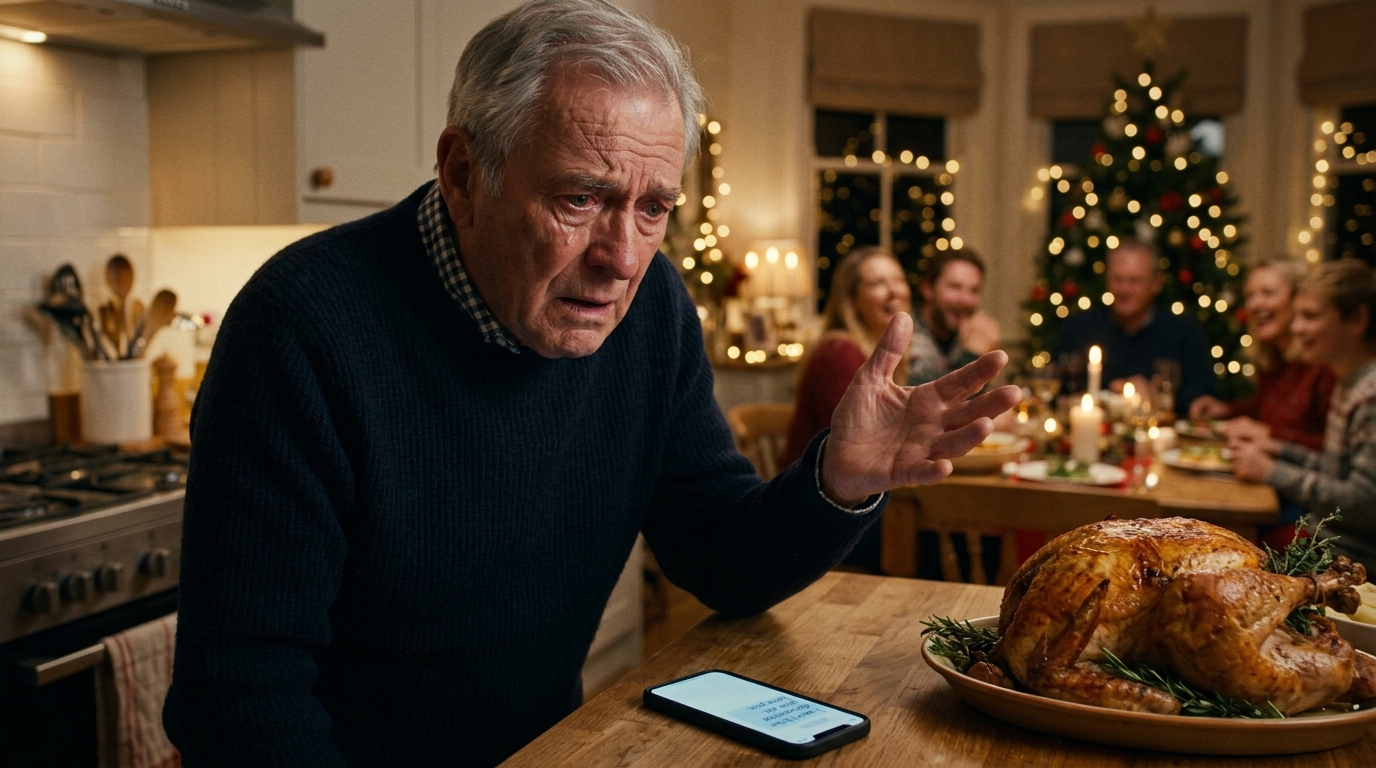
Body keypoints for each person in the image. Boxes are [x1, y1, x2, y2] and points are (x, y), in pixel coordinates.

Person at [161, 2, 1020, 766]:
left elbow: (720, 556)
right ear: (463, 176)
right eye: (580, 198)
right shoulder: (302, 326)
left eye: (652, 208)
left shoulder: (651, 312)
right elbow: (237, 697)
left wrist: (838, 480)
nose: (621, 259)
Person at [1232, 259, 1376, 566]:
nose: (1297, 328)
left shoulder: (1370, 398)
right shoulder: (1348, 383)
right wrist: (1278, 448)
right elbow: (1333, 469)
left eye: (1310, 317)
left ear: (1357, 320)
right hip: (1322, 537)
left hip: (1346, 558)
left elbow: (1364, 504)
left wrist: (1272, 471)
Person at [780, 247, 911, 571]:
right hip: (816, 514)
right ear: (851, 301)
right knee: (934, 536)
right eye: (879, 282)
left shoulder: (869, 349)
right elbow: (865, 447)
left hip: (850, 500)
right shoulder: (840, 352)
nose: (895, 289)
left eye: (898, 279)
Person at [1052, 238, 1218, 412]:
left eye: (1134, 281)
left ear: (1156, 283)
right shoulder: (1080, 328)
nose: (1124, 289)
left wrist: (1158, 397)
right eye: (1117, 279)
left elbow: (1202, 398)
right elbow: (1059, 392)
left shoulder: (1183, 332)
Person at [1189, 258, 1334, 452]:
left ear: (1297, 300)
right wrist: (1225, 410)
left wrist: (1269, 434)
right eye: (1250, 295)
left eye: (1268, 293)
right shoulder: (1274, 358)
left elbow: (1334, 452)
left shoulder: (1323, 365)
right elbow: (1267, 412)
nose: (1254, 305)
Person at [909, 250, 1001, 386]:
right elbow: (926, 401)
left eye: (974, 290)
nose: (966, 300)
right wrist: (972, 357)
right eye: (955, 287)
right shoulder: (904, 334)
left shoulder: (972, 332)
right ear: (927, 288)